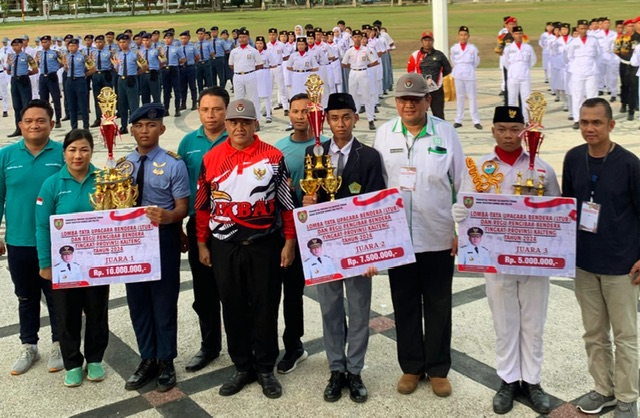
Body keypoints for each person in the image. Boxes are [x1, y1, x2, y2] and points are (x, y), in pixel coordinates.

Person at [453, 105, 561, 415]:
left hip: (535, 259)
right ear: (493, 130)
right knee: (504, 321)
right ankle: (508, 380)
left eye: (515, 129)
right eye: (502, 128)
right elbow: (465, 205)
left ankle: (533, 381)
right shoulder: (479, 167)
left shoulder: (543, 169)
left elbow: (557, 213)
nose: (509, 135)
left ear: (525, 132)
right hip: (496, 260)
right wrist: (459, 219)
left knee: (534, 322)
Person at [195, 99, 295, 399]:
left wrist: (289, 241)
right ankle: (242, 366)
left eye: (246, 122)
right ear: (226, 125)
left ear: (256, 124)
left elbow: (286, 205)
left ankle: (265, 367)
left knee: (266, 306)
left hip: (264, 244)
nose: (240, 127)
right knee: (233, 305)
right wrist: (201, 242)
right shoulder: (212, 157)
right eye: (234, 122)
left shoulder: (273, 156)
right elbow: (202, 206)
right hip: (225, 246)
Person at [372, 73, 465, 398]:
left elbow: (462, 183)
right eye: (402, 99)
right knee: (405, 304)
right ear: (396, 102)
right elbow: (376, 187)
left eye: (415, 99)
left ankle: (438, 369)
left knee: (439, 304)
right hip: (398, 239)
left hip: (438, 235)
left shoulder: (446, 132)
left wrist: (461, 229)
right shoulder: (384, 134)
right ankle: (412, 366)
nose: (408, 104)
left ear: (427, 100)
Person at [302, 92, 385, 403]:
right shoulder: (314, 153)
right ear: (326, 120)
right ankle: (336, 368)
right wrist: (307, 201)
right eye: (334, 118)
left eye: (346, 117)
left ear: (355, 118)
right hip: (323, 247)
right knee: (330, 308)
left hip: (357, 247)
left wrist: (375, 251)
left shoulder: (370, 156)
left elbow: (376, 207)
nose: (340, 124)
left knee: (360, 309)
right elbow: (306, 202)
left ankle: (355, 369)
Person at [562, 98, 640, 418]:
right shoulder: (573, 158)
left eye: (596, 122)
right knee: (593, 334)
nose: (589, 128)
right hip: (585, 263)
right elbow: (566, 207)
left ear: (611, 125)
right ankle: (603, 390)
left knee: (625, 336)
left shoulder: (629, 164)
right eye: (584, 122)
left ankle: (626, 397)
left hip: (622, 265)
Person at [121, 103, 190, 393]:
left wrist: (170, 217)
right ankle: (147, 358)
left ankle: (166, 361)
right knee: (138, 303)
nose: (145, 130)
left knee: (163, 303)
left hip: (163, 238)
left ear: (161, 129)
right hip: (132, 244)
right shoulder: (123, 166)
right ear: (132, 130)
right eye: (139, 126)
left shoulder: (173, 163)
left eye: (151, 125)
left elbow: (182, 207)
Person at [35, 129, 110, 388]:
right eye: (72, 150)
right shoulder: (52, 184)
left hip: (96, 262)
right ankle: (73, 363)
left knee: (97, 310)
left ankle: (96, 358)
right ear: (64, 152)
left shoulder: (103, 180)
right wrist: (45, 263)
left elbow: (114, 218)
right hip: (63, 265)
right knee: (66, 314)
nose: (78, 155)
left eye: (84, 149)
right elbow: (43, 226)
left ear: (92, 152)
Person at [0, 99, 64, 375]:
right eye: (28, 121)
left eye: (41, 120)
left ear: (51, 124)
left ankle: (61, 343)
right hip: (19, 240)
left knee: (56, 296)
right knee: (25, 296)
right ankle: (29, 345)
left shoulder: (63, 153)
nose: (34, 125)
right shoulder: (6, 156)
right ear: (20, 125)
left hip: (57, 242)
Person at [273, 93, 329, 374]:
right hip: (288, 228)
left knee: (330, 289)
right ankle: (289, 344)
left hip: (322, 230)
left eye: (306, 111)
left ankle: (335, 350)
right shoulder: (278, 148)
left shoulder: (326, 148)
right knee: (288, 289)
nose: (300, 116)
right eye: (295, 111)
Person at [177, 87, 228, 373]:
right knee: (204, 291)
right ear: (198, 111)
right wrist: (182, 228)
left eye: (217, 109)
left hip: (231, 225)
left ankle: (241, 345)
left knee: (235, 289)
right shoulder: (188, 143)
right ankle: (209, 345)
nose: (211, 115)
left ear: (226, 110)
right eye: (205, 109)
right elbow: (181, 189)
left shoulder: (235, 138)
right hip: (199, 224)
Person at [406, 31, 451, 120]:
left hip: (436, 90)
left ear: (432, 41)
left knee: (439, 115)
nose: (427, 42)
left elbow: (448, 69)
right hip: (421, 91)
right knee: (419, 115)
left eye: (429, 40)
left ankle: (440, 132)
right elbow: (410, 72)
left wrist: (437, 79)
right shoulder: (415, 55)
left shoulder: (439, 55)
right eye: (425, 40)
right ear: (422, 41)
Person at [566, 19, 600, 129]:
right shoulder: (573, 42)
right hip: (577, 71)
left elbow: (598, 54)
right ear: (577, 29)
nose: (583, 30)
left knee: (592, 96)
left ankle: (594, 118)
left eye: (585, 28)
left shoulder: (594, 41)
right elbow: (569, 56)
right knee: (577, 96)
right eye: (581, 28)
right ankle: (578, 119)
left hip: (591, 70)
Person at [342, 29, 378, 131]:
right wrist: (352, 65)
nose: (357, 39)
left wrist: (366, 65)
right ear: (352, 38)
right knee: (353, 96)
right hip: (353, 72)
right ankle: (353, 118)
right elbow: (344, 63)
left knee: (366, 96)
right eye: (355, 37)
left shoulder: (366, 50)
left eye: (359, 37)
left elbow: (375, 61)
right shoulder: (349, 51)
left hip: (363, 72)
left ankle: (370, 119)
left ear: (361, 38)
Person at [450, 26, 481, 130]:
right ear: (458, 36)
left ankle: (476, 120)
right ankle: (458, 120)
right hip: (458, 72)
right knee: (460, 97)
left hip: (469, 72)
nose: (463, 37)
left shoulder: (473, 48)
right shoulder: (454, 48)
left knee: (472, 97)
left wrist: (469, 68)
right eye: (461, 35)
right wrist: (459, 67)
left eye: (465, 35)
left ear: (468, 36)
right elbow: (452, 60)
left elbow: (476, 61)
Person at [503, 26, 536, 123]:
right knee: (512, 98)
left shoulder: (528, 47)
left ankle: (526, 120)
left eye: (520, 33)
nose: (518, 35)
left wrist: (524, 67)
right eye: (516, 34)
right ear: (513, 35)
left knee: (526, 99)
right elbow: (506, 62)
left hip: (524, 75)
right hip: (513, 76)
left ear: (522, 34)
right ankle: (512, 119)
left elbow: (532, 61)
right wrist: (513, 69)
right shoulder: (508, 48)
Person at [6, 38, 38, 138]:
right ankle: (18, 128)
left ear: (22, 45)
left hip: (23, 80)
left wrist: (26, 74)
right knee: (16, 106)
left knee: (26, 105)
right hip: (14, 80)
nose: (15, 47)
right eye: (13, 45)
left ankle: (27, 128)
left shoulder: (27, 56)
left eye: (17, 45)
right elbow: (8, 70)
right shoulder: (11, 56)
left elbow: (35, 69)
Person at [228, 29, 262, 119]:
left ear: (248, 37)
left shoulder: (253, 50)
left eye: (244, 37)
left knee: (253, 98)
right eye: (240, 37)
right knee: (239, 99)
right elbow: (231, 65)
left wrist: (249, 69)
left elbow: (260, 64)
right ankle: (240, 118)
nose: (242, 39)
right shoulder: (234, 51)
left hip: (250, 75)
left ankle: (256, 119)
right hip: (238, 76)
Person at [115, 33, 144, 134]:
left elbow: (144, 66)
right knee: (122, 104)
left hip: (131, 79)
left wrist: (136, 74)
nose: (122, 44)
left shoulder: (135, 54)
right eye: (120, 42)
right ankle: (123, 126)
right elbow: (116, 67)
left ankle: (135, 126)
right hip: (121, 79)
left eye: (124, 42)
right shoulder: (117, 54)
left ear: (128, 42)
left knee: (133, 104)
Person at [37, 35, 63, 129]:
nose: (44, 44)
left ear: (50, 43)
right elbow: (38, 64)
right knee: (43, 100)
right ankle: (45, 118)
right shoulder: (39, 53)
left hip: (52, 76)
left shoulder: (55, 53)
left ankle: (58, 118)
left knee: (56, 98)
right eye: (43, 42)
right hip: (43, 76)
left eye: (46, 42)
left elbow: (63, 61)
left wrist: (55, 68)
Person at [90, 35, 114, 127]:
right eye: (97, 42)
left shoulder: (108, 52)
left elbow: (114, 63)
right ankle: (98, 118)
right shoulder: (93, 52)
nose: (98, 44)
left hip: (106, 74)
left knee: (108, 98)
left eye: (100, 42)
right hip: (96, 74)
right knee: (97, 98)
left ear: (104, 43)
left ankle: (109, 118)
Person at [160, 31, 185, 118]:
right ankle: (166, 109)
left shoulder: (176, 48)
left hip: (174, 68)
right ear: (163, 39)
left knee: (176, 90)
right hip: (164, 69)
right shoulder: (161, 49)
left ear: (172, 39)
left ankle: (177, 109)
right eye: (166, 38)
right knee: (166, 90)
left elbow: (183, 59)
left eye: (169, 38)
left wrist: (176, 63)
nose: (167, 40)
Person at [179, 30, 198, 111]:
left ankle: (194, 103)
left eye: (185, 38)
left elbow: (197, 57)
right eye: (182, 38)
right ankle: (183, 104)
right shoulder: (179, 48)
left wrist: (192, 64)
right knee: (183, 87)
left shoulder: (192, 47)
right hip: (182, 68)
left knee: (192, 86)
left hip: (190, 68)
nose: (183, 40)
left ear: (188, 38)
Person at [194, 28, 213, 95]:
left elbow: (212, 53)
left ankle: (210, 94)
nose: (200, 35)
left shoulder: (208, 44)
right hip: (199, 63)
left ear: (204, 34)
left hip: (206, 62)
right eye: (199, 34)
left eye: (201, 34)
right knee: (199, 80)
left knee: (209, 79)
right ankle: (201, 94)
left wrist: (207, 59)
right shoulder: (195, 44)